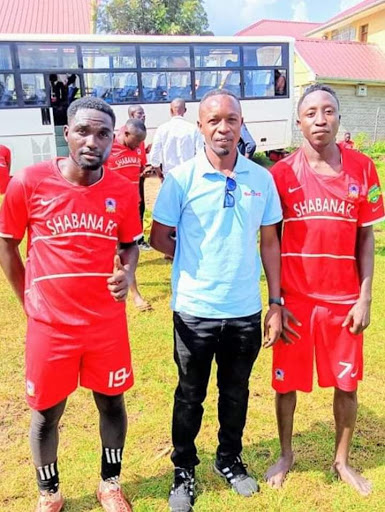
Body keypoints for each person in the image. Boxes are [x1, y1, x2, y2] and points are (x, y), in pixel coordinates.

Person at [0, 97, 142, 512]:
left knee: (112, 402)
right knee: (46, 412)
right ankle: (50, 493)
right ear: (67, 133)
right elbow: (8, 243)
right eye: (83, 130)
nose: (93, 141)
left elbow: (130, 244)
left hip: (105, 324)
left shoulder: (120, 188)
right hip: (50, 326)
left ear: (113, 140)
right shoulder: (29, 181)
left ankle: (110, 484)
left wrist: (127, 272)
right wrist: (28, 296)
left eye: (103, 133)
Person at [150, 89, 283, 512]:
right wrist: (193, 259)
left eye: (231, 119)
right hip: (194, 311)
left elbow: (269, 244)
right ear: (200, 127)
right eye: (214, 121)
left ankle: (229, 460)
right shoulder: (181, 178)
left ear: (242, 125)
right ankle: (184, 470)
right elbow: (158, 236)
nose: (223, 128)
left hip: (244, 310)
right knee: (190, 394)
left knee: (236, 392)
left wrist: (275, 302)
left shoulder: (261, 179)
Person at [265, 84, 385, 496]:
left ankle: (342, 461)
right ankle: (286, 454)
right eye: (311, 112)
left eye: (329, 111)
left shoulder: (364, 169)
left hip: (343, 304)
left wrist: (365, 296)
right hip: (296, 303)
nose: (321, 119)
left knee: (347, 385)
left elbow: (366, 237)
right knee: (285, 384)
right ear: (299, 122)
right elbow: (271, 241)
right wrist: (276, 302)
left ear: (338, 118)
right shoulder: (280, 175)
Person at [106, 118, 152, 312]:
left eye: (139, 143)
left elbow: (140, 168)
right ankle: (130, 294)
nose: (136, 147)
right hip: (111, 208)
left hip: (132, 206)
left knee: (128, 250)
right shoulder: (108, 148)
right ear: (125, 133)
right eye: (134, 142)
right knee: (114, 251)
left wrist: (145, 172)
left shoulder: (138, 147)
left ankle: (133, 294)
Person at [149, 98, 202, 182]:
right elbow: (201, 154)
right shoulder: (194, 129)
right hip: (188, 176)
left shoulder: (162, 129)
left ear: (170, 111)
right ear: (185, 110)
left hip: (169, 176)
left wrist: (160, 175)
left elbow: (154, 157)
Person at [127, 104, 153, 250]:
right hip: (129, 182)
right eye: (139, 113)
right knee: (133, 209)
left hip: (140, 178)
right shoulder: (128, 138)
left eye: (143, 113)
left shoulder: (140, 137)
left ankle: (140, 237)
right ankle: (137, 239)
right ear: (131, 116)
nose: (143, 116)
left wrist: (145, 167)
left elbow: (140, 160)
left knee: (142, 207)